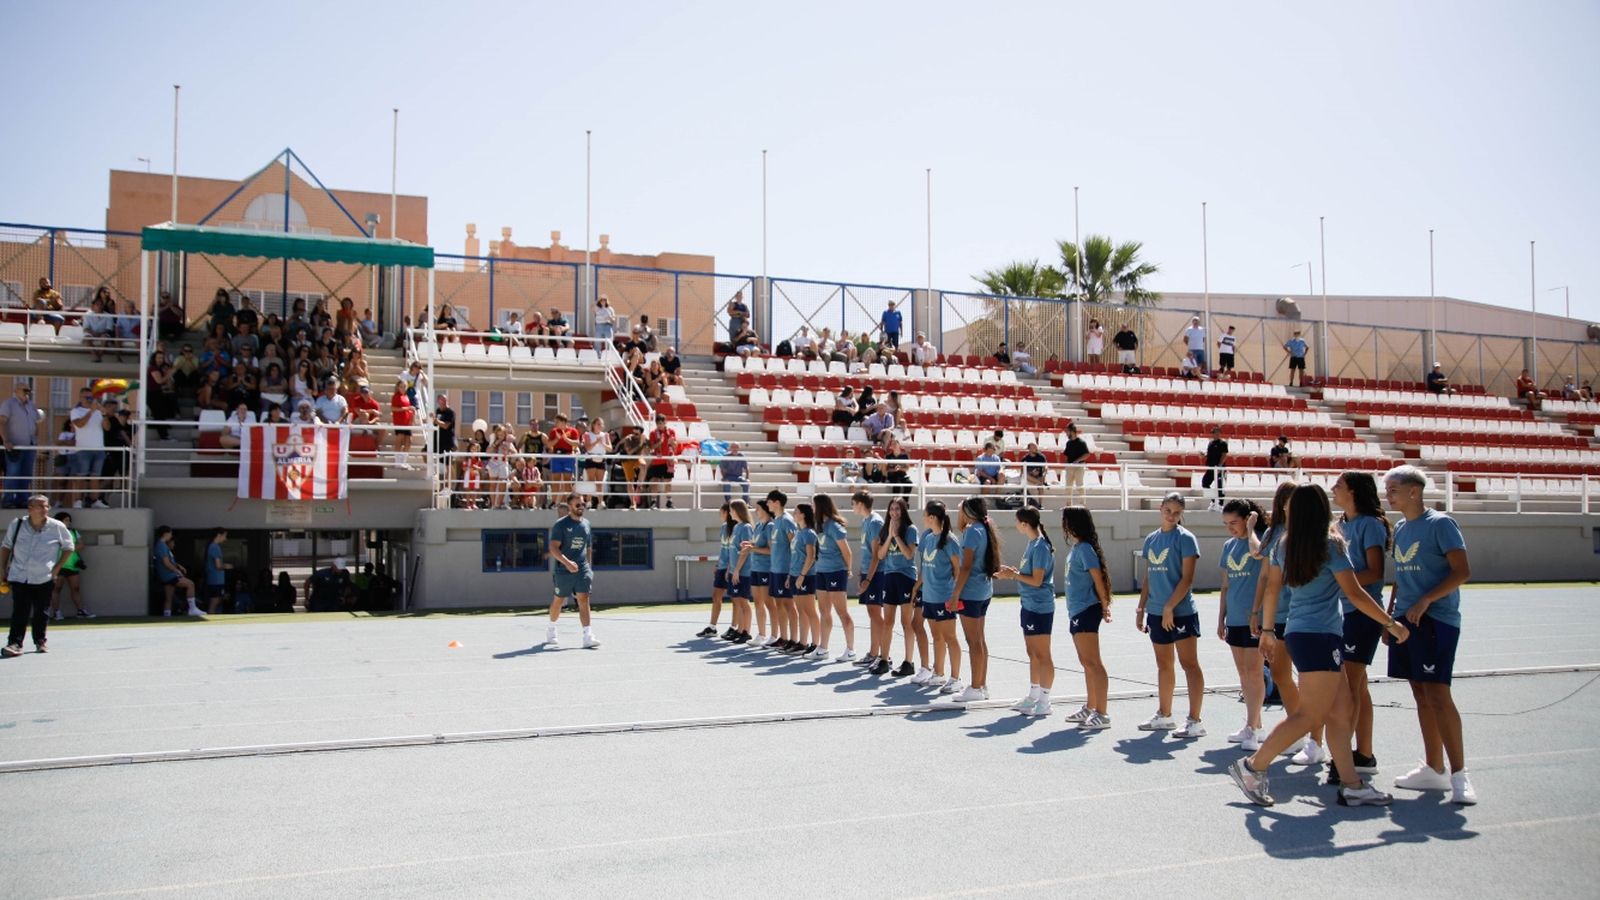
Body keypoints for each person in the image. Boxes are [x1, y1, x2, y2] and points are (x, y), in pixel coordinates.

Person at [1228, 483, 1409, 808]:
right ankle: (1253, 766)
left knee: (1340, 712)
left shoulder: (1286, 544)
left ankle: (1352, 783)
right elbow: (1354, 593)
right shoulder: (1331, 544)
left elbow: (1272, 589)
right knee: (1311, 715)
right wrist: (1390, 623)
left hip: (1300, 632)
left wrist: (1268, 629)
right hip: (1320, 636)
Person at [1383, 464, 1477, 805]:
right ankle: (1434, 768)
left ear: (1414, 491)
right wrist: (1390, 618)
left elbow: (1462, 571)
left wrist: (1426, 599)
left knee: (1438, 693)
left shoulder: (1441, 524)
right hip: (1405, 622)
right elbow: (1399, 577)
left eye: (1393, 489)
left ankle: (1460, 774)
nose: (1387, 495)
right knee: (1420, 693)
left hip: (1436, 620)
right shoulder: (1402, 528)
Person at [1325, 470, 1393, 784]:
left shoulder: (1370, 525)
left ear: (1353, 490)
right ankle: (1363, 754)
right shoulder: (1339, 525)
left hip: (1361, 614)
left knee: (1349, 688)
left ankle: (1344, 762)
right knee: (1358, 686)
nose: (1333, 488)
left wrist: (1341, 585)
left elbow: (1375, 572)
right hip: (1342, 613)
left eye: (1338, 484)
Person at [1136, 492, 1206, 737]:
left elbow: (1187, 579)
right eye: (1168, 511)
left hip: (1182, 613)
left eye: (1177, 512)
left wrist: (1170, 608)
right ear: (1160, 508)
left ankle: (1194, 720)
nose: (1172, 516)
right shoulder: (1152, 539)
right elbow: (1149, 576)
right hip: (1156, 612)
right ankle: (1164, 715)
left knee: (1189, 664)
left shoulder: (1186, 539)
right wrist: (1142, 607)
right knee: (1164, 664)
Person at [1217, 499, 1268, 750]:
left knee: (1255, 672)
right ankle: (1253, 724)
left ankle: (1253, 727)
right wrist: (1221, 619)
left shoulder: (1259, 543)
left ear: (1248, 519)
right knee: (1243, 673)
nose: (1230, 528)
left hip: (1255, 618)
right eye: (1226, 524)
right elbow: (1226, 586)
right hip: (1235, 618)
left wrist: (1250, 530)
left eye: (1234, 523)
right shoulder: (1228, 546)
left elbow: (1259, 555)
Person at [998, 506, 1056, 716]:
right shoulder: (1032, 544)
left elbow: (1037, 580)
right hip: (1029, 604)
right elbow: (1029, 575)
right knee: (1032, 653)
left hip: (1040, 606)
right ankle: (1033, 695)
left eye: (1017, 522)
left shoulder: (1040, 546)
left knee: (1043, 654)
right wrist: (1014, 572)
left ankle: (1045, 700)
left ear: (1024, 523)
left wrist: (1013, 576)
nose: (1016, 525)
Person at [1, 495, 75, 657]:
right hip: (20, 575)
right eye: (40, 506)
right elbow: (6, 546)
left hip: (44, 576)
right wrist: (2, 569)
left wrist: (57, 568)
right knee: (20, 610)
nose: (44, 509)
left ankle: (40, 641)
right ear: (30, 508)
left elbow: (69, 547)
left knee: (42, 611)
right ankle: (14, 643)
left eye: (46, 506)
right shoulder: (17, 524)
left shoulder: (57, 526)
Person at [948, 496, 1000, 702]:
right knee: (979, 640)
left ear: (969, 512)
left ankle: (976, 686)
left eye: (961, 509)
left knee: (973, 641)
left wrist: (955, 594)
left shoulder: (972, 532)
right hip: (983, 590)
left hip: (971, 592)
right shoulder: (983, 529)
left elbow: (966, 567)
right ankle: (981, 685)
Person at [913, 500, 963, 691]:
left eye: (925, 515)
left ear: (933, 517)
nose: (923, 518)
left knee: (950, 637)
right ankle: (939, 673)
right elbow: (926, 568)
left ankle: (956, 678)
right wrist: (917, 587)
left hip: (945, 596)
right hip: (930, 596)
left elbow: (958, 570)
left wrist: (955, 596)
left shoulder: (950, 540)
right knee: (936, 636)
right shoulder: (928, 538)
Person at [871, 497, 924, 679]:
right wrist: (889, 537)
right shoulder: (885, 529)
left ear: (903, 511)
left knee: (906, 622)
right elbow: (880, 554)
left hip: (906, 577)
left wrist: (896, 537)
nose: (894, 512)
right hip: (889, 576)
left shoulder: (910, 530)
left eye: (898, 509)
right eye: (891, 509)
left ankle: (909, 662)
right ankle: (884, 659)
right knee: (888, 621)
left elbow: (909, 555)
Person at [546, 493, 600, 649]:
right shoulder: (560, 525)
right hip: (563, 570)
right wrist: (567, 563)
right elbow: (553, 548)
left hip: (582, 569)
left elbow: (588, 547)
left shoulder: (587, 524)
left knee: (583, 599)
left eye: (583, 504)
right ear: (569, 507)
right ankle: (551, 628)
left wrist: (589, 567)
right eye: (578, 505)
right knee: (559, 600)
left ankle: (588, 635)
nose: (581, 507)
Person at [807, 493, 854, 662]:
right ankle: (823, 648)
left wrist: (847, 570)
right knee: (824, 611)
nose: (811, 508)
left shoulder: (834, 527)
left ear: (819, 506)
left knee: (842, 612)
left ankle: (850, 650)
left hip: (836, 572)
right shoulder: (820, 525)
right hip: (822, 571)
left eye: (813, 505)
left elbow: (847, 553)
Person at [851, 492, 890, 673]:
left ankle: (884, 656)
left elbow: (876, 554)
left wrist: (868, 579)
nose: (852, 507)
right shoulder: (866, 521)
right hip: (868, 572)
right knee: (872, 613)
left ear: (860, 504)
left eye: (853, 504)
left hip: (877, 574)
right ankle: (873, 653)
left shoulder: (875, 522)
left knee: (876, 613)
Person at [765, 490, 799, 654]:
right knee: (779, 604)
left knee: (788, 605)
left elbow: (795, 547)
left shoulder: (787, 521)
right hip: (775, 569)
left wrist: (791, 572)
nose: (767, 504)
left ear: (777, 502)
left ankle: (794, 639)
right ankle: (783, 638)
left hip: (785, 570)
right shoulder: (776, 520)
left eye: (769, 501)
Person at [0, 382, 40, 509]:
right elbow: (2, 422)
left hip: (30, 446)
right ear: (16, 390)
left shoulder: (31, 405)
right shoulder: (9, 404)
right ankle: (9, 500)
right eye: (24, 390)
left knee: (26, 474)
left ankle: (23, 500)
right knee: (13, 473)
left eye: (29, 390)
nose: (27, 392)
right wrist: (5, 440)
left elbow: (36, 422)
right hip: (15, 446)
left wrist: (36, 439)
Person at [47, 511, 93, 620]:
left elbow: (81, 544)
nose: (69, 522)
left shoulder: (73, 532)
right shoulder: (53, 532)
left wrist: (69, 549)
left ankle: (80, 611)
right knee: (56, 589)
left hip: (72, 565)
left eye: (69, 520)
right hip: (59, 565)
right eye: (66, 520)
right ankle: (56, 612)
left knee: (76, 588)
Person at [69, 388, 109, 509]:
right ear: (80, 398)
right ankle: (78, 501)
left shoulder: (98, 412)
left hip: (99, 448)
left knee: (95, 477)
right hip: (83, 448)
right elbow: (79, 424)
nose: (89, 400)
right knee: (81, 476)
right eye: (87, 397)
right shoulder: (76, 411)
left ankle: (95, 500)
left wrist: (104, 414)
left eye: (91, 397)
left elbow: (107, 428)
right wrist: (90, 412)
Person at [742, 500, 775, 648]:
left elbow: (771, 550)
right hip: (755, 568)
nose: (755, 511)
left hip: (766, 569)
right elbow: (757, 546)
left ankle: (774, 635)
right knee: (758, 603)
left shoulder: (770, 526)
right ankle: (761, 634)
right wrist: (750, 546)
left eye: (758, 508)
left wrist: (752, 549)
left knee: (769, 603)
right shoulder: (758, 526)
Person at [788, 501, 820, 655]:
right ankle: (802, 643)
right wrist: (791, 576)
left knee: (810, 611)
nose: (794, 513)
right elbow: (795, 556)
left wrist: (802, 575)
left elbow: (811, 556)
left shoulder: (809, 533)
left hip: (806, 576)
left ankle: (816, 644)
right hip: (795, 575)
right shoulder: (798, 532)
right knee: (801, 611)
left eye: (796, 511)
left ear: (803, 515)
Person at [152, 524, 202, 618]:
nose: (171, 535)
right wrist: (176, 571)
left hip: (165, 575)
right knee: (190, 584)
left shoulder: (161, 545)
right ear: (165, 534)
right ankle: (192, 609)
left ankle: (167, 615)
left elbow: (169, 561)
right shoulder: (161, 545)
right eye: (170, 533)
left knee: (169, 598)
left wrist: (178, 566)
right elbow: (166, 563)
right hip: (168, 575)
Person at [723, 500, 756, 643]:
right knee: (737, 600)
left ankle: (746, 631)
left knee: (743, 601)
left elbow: (745, 551)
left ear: (737, 510)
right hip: (734, 571)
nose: (730, 513)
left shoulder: (746, 527)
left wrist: (737, 570)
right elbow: (733, 551)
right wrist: (730, 569)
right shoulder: (736, 527)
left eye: (731, 510)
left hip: (743, 572)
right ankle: (740, 629)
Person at [701, 503, 733, 639]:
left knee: (737, 600)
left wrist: (730, 567)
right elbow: (723, 548)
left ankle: (736, 627)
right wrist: (718, 564)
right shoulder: (723, 528)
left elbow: (735, 550)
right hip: (722, 566)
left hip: (731, 568)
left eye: (721, 512)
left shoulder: (737, 528)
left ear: (727, 513)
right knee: (716, 596)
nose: (719, 515)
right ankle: (712, 627)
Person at [646, 414, 677, 509]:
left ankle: (669, 502)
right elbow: (651, 447)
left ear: (665, 423)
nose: (660, 425)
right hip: (657, 461)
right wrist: (659, 442)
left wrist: (672, 442)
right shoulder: (653, 433)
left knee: (668, 481)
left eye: (662, 423)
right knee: (655, 480)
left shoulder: (671, 432)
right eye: (658, 423)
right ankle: (653, 502)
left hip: (668, 461)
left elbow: (675, 447)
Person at [547, 413, 581, 494]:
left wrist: (566, 439)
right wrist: (556, 439)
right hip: (556, 456)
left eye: (557, 422)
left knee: (567, 479)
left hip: (568, 456)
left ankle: (568, 502)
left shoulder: (573, 431)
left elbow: (577, 443)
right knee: (555, 479)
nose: (555, 424)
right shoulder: (553, 431)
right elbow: (548, 445)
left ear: (563, 422)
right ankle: (555, 503)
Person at [202, 526, 233, 615]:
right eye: (224, 536)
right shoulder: (215, 547)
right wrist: (226, 566)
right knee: (214, 602)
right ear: (219, 535)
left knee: (218, 600)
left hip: (215, 579)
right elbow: (218, 565)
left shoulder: (212, 546)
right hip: (215, 580)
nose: (225, 539)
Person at [1202, 426, 1228, 510]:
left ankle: (1220, 504)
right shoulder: (1210, 443)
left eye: (1217, 432)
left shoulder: (1223, 443)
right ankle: (1214, 500)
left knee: (1219, 485)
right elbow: (1209, 454)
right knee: (1205, 483)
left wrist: (1220, 466)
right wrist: (1204, 455)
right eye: (1214, 432)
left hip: (1218, 468)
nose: (1216, 434)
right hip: (1210, 468)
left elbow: (1224, 455)